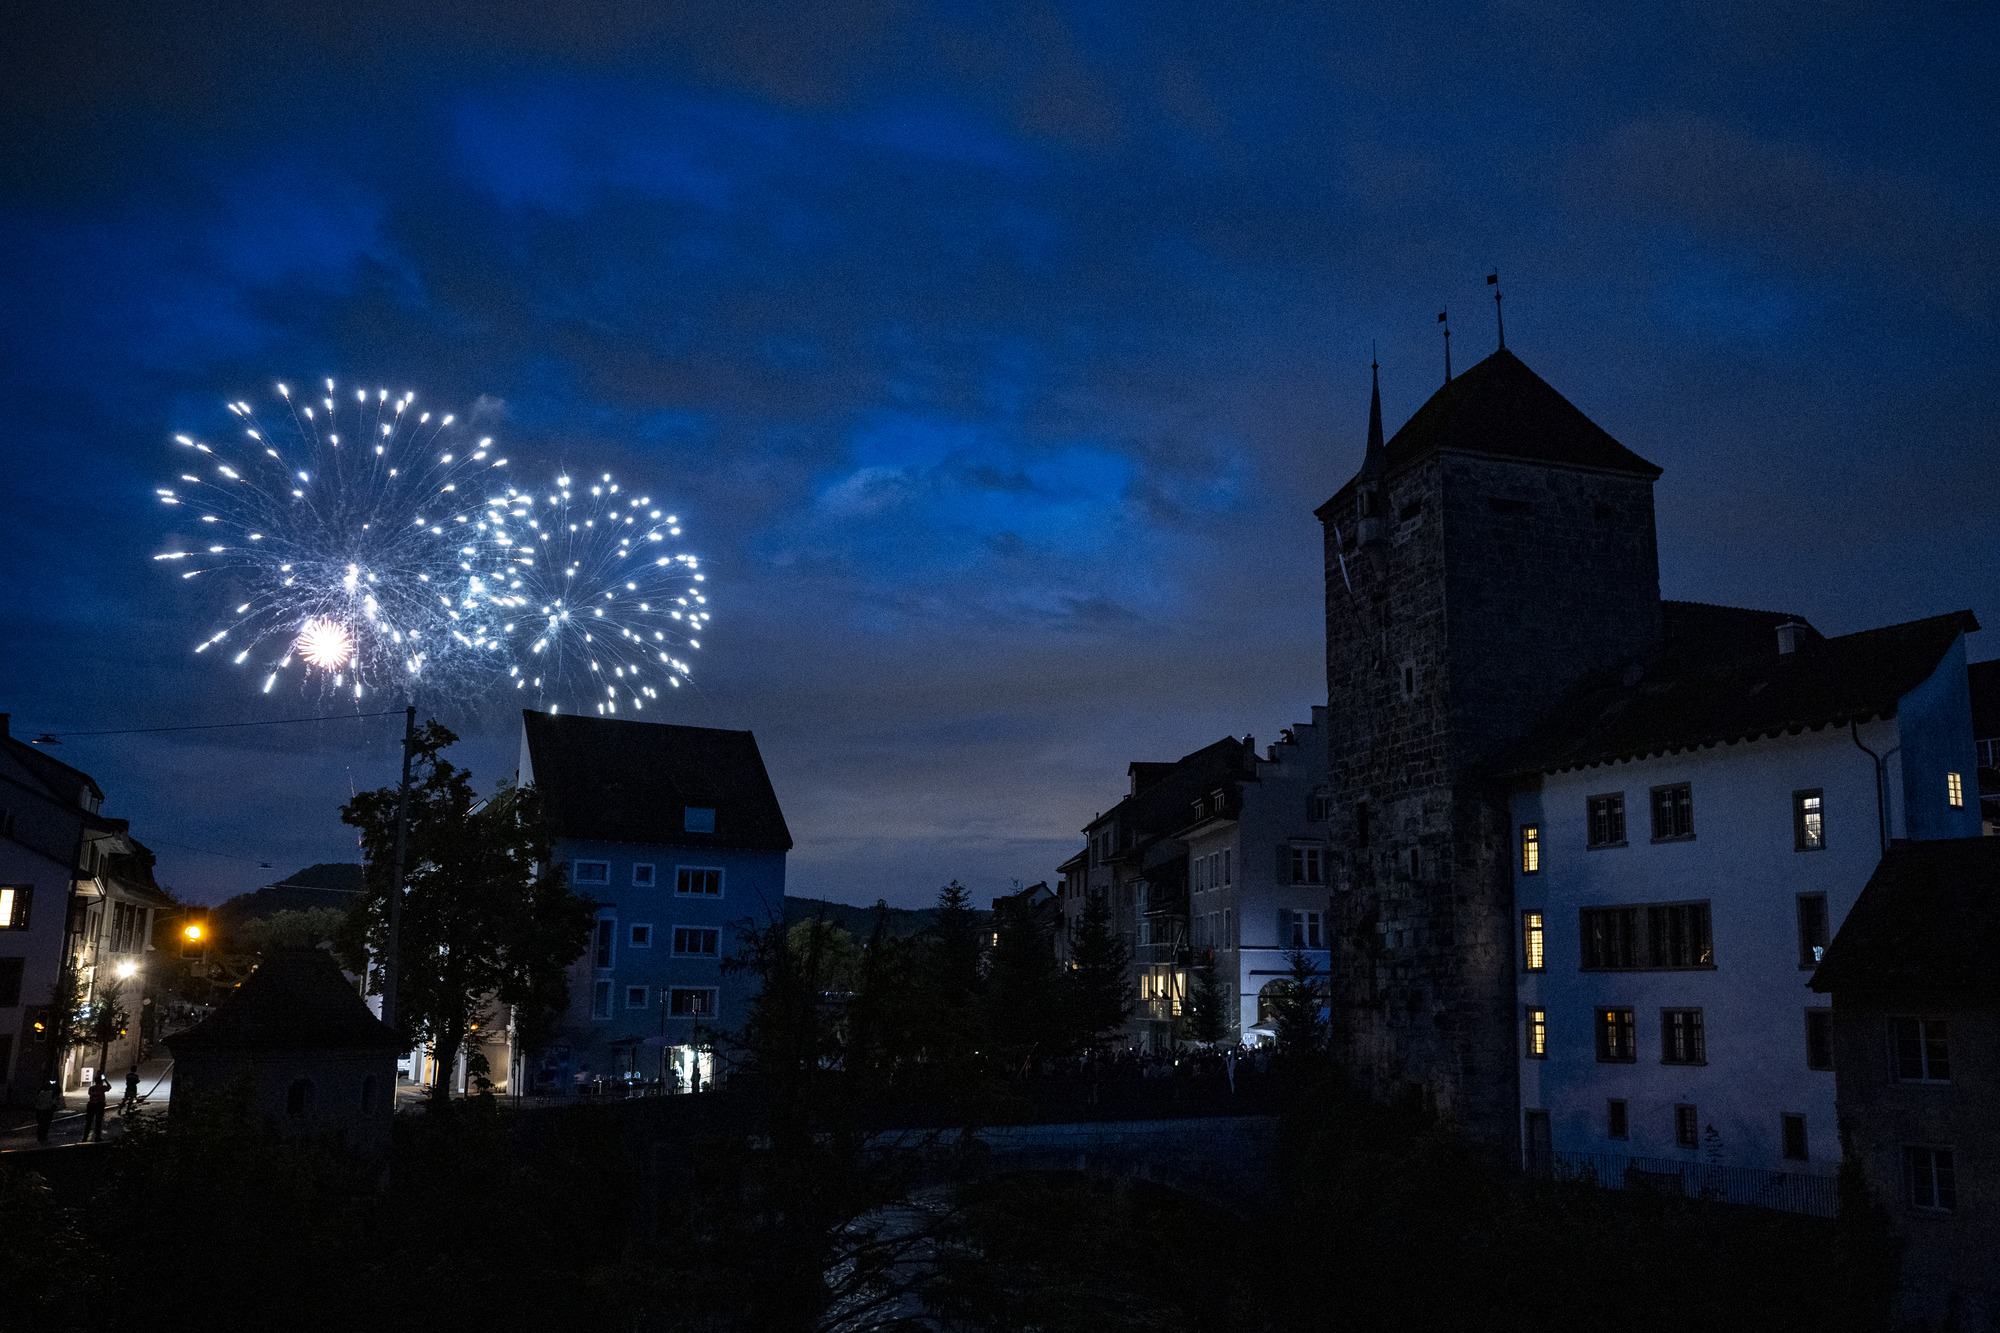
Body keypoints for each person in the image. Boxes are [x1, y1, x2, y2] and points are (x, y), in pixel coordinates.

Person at [82, 1073, 110, 1141]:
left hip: (91, 1105)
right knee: (98, 1122)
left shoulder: (91, 1088)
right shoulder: (102, 1088)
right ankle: (97, 1136)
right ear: (101, 1081)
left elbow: (89, 1094)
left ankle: (85, 1137)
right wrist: (105, 1080)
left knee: (89, 1122)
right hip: (99, 1105)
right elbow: (109, 1087)